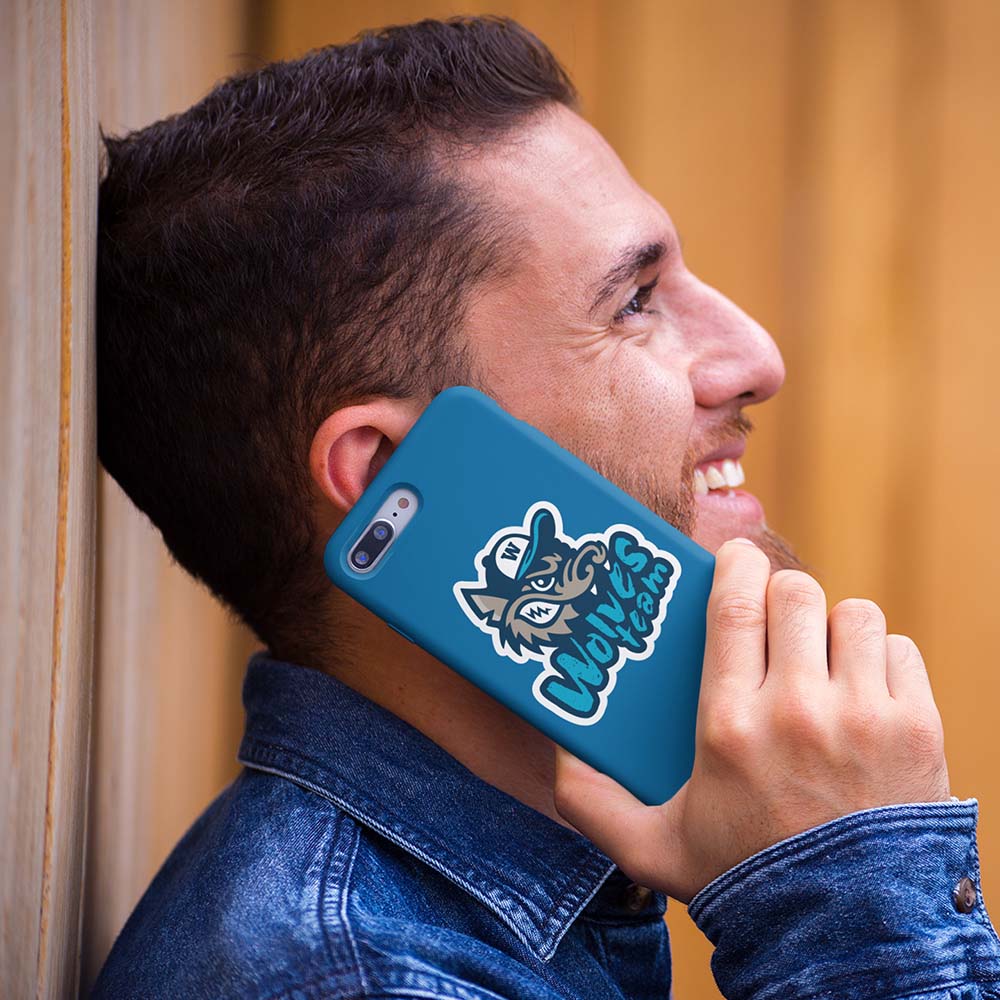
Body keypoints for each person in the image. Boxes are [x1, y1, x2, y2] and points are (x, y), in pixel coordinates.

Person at [91, 15, 998, 1000]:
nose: (756, 358)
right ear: (391, 471)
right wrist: (849, 898)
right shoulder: (364, 981)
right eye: (634, 301)